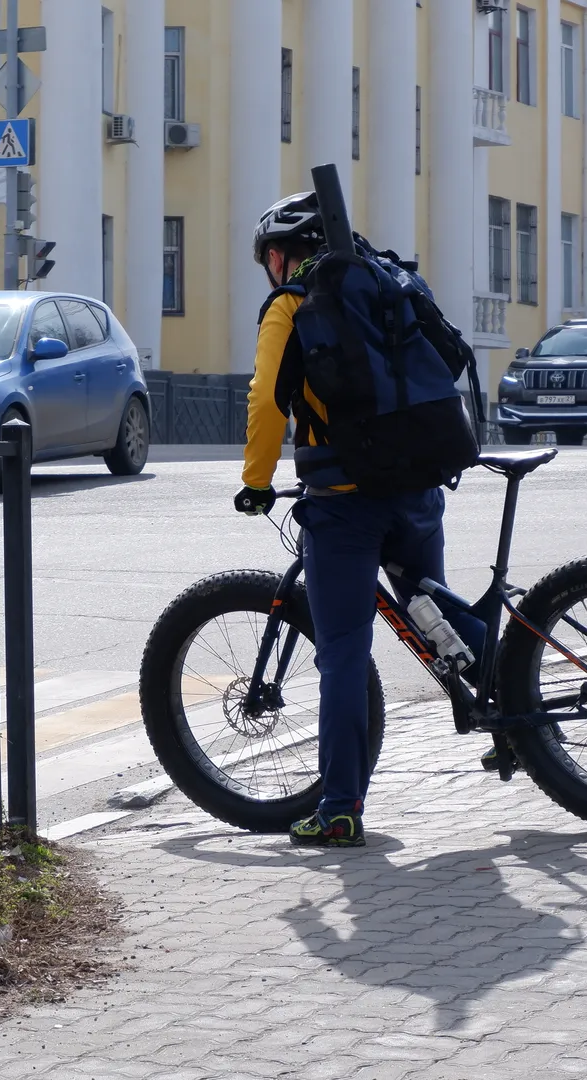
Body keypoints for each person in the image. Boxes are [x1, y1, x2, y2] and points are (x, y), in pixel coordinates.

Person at [238, 191, 483, 848]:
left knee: (343, 652)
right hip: (419, 486)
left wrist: (256, 484)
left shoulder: (291, 306)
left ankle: (339, 806)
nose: (269, 269)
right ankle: (516, 716)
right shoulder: (391, 282)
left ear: (287, 254)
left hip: (344, 501)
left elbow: (265, 401)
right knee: (431, 614)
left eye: (269, 256)